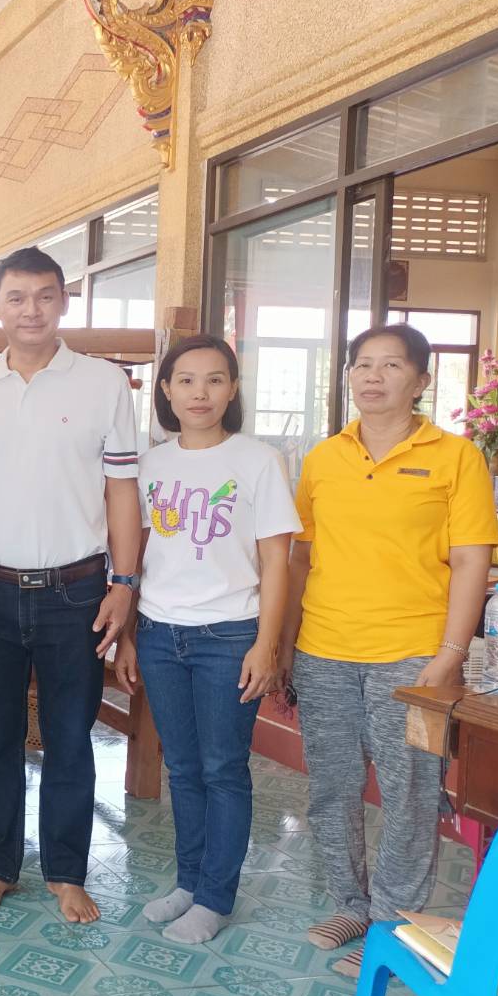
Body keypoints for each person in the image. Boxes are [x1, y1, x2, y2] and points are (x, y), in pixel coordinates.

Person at [279, 322, 497, 977]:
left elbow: (471, 562)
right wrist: (287, 643)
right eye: (362, 364)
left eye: (391, 365)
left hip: (412, 657)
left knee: (409, 792)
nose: (372, 376)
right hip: (324, 649)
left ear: (421, 381)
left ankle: (391, 924)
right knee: (332, 788)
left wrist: (449, 653)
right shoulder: (324, 458)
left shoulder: (457, 457)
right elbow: (300, 558)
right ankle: (350, 904)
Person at [0, 246, 141, 925]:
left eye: (44, 296)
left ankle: (66, 872)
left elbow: (122, 490)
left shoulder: (104, 383)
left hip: (76, 592)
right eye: (16, 297)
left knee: (69, 738)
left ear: (63, 301)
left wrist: (124, 583)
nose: (30, 310)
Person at [111, 335, 299, 944]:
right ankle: (189, 883)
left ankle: (216, 898)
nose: (200, 392)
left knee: (223, 770)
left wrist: (266, 645)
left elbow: (277, 562)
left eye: (215, 379)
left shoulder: (258, 461)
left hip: (230, 635)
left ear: (233, 389)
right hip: (161, 634)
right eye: (186, 380)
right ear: (166, 390)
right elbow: (136, 558)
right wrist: (129, 636)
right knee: (183, 767)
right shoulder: (150, 465)